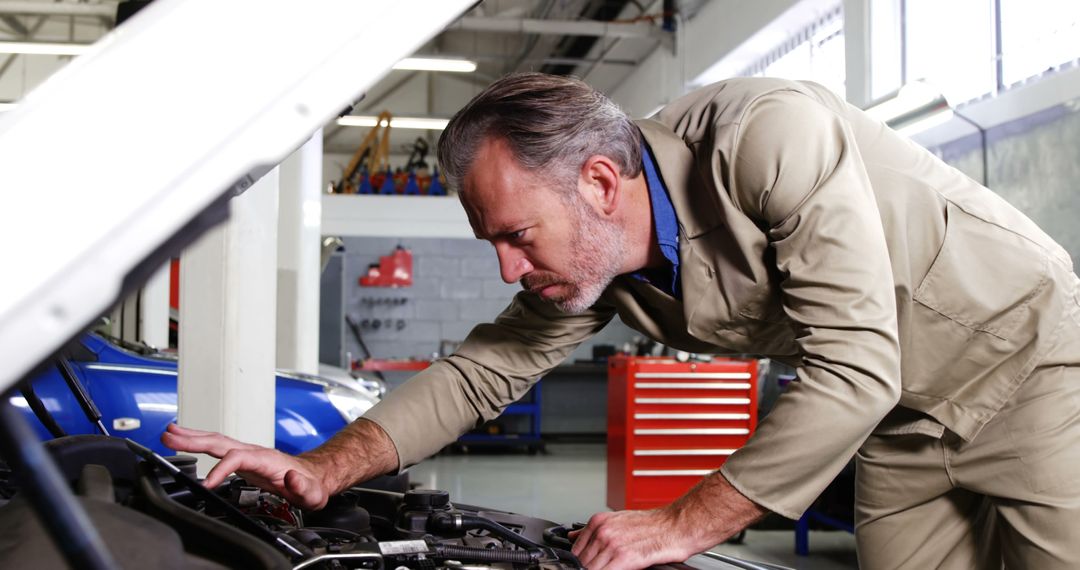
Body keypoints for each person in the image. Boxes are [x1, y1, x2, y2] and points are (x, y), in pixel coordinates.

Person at [165, 72, 1080, 569]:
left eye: (518, 236)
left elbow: (851, 365)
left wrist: (683, 522)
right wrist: (326, 466)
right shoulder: (600, 261)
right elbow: (488, 368)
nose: (509, 268)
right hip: (897, 421)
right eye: (494, 243)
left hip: (1030, 370)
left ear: (600, 184)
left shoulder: (770, 135)